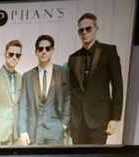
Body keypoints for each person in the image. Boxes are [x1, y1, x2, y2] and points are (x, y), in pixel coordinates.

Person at [68, 13, 123, 145]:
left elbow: (117, 85)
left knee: (96, 156)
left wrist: (115, 118)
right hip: (77, 122)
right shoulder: (73, 58)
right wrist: (69, 120)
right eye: (81, 30)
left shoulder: (108, 51)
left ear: (96, 29)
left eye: (88, 29)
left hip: (99, 120)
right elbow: (71, 90)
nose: (85, 32)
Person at [19, 35, 70, 146]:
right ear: (36, 51)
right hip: (35, 130)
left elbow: (68, 98)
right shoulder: (27, 76)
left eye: (47, 48)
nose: (44, 51)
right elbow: (23, 105)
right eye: (40, 49)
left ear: (52, 51)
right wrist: (23, 131)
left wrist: (64, 124)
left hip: (56, 128)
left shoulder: (63, 72)